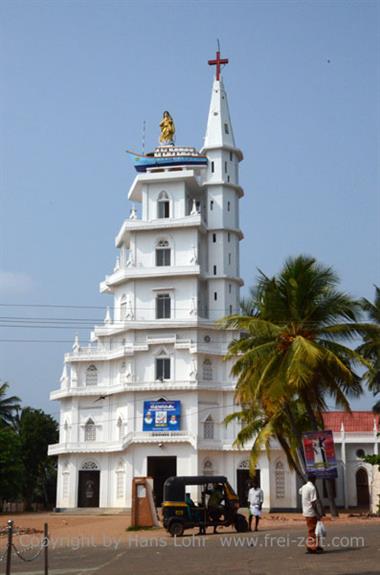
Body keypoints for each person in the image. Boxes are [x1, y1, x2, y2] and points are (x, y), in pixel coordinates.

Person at [299, 473, 323, 554]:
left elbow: (300, 492)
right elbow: (313, 502)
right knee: (312, 530)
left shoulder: (304, 487)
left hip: (305, 511)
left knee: (312, 530)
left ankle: (315, 545)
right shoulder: (312, 488)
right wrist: (317, 513)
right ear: (314, 479)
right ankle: (312, 547)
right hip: (311, 512)